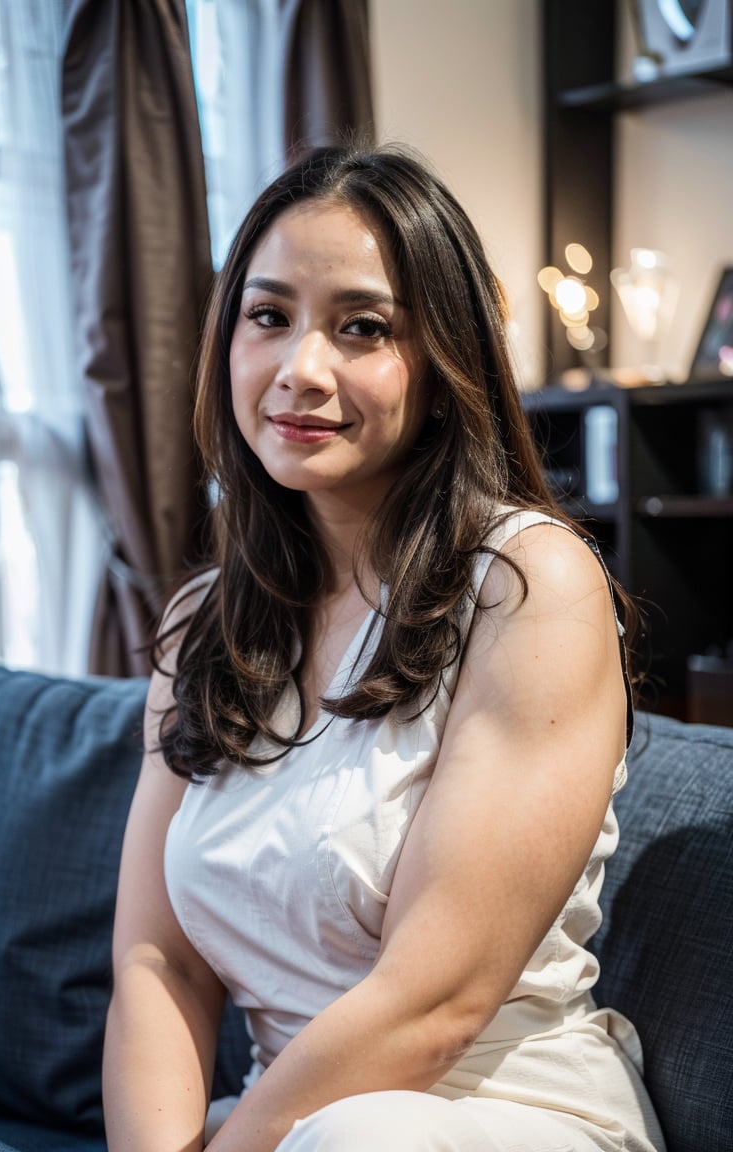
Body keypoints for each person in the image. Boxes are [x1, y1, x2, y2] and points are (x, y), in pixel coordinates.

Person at [102, 143, 665, 1152]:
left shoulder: (529, 586)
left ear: (445, 367)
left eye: (362, 329)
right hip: (288, 1126)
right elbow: (158, 961)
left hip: (496, 1114)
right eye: (268, 317)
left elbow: (432, 1001)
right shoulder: (201, 625)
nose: (301, 370)